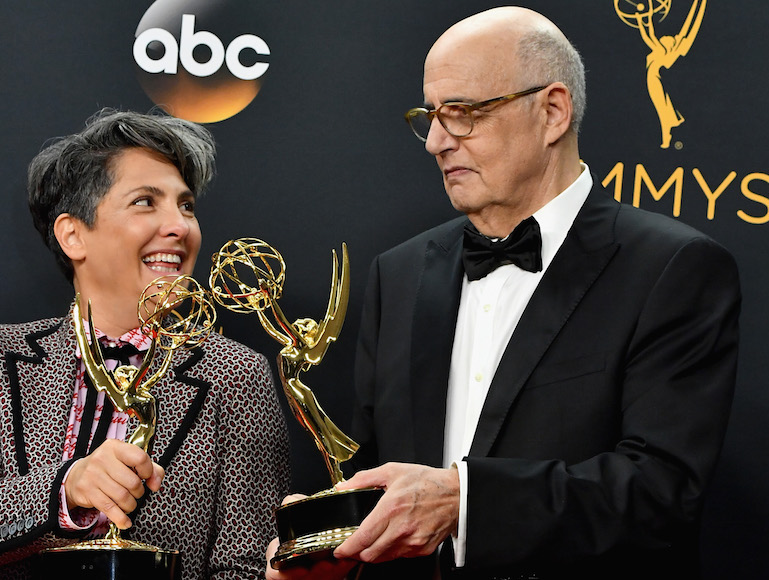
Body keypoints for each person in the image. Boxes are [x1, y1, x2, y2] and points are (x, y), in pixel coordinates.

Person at [266, 6, 740, 580]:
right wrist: (329, 539)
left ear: (552, 112)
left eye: (463, 113)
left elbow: (661, 491)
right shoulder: (400, 273)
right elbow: (375, 472)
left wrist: (463, 502)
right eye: (431, 116)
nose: (436, 141)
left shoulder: (672, 268)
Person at [0, 109, 291, 580]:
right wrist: (66, 490)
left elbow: (243, 565)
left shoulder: (235, 374)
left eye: (187, 206)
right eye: (145, 202)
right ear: (73, 234)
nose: (179, 226)